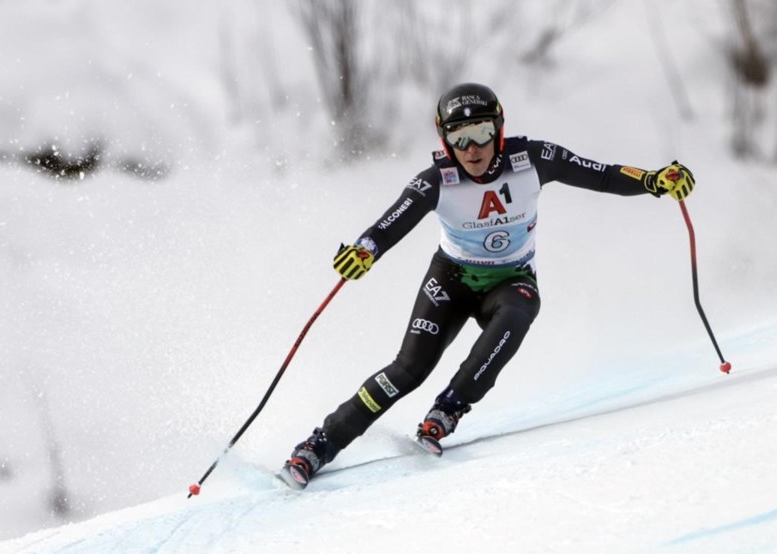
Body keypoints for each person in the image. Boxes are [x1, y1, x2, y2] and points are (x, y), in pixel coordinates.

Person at [281, 82, 695, 488]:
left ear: (498, 129)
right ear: (445, 141)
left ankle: (449, 408)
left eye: (481, 134)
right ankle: (319, 445)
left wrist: (654, 180)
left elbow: (601, 175)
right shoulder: (437, 179)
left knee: (518, 312)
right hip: (451, 280)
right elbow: (389, 225)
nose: (472, 150)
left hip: (511, 278)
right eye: (460, 139)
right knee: (407, 371)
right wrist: (364, 251)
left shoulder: (532, 158)